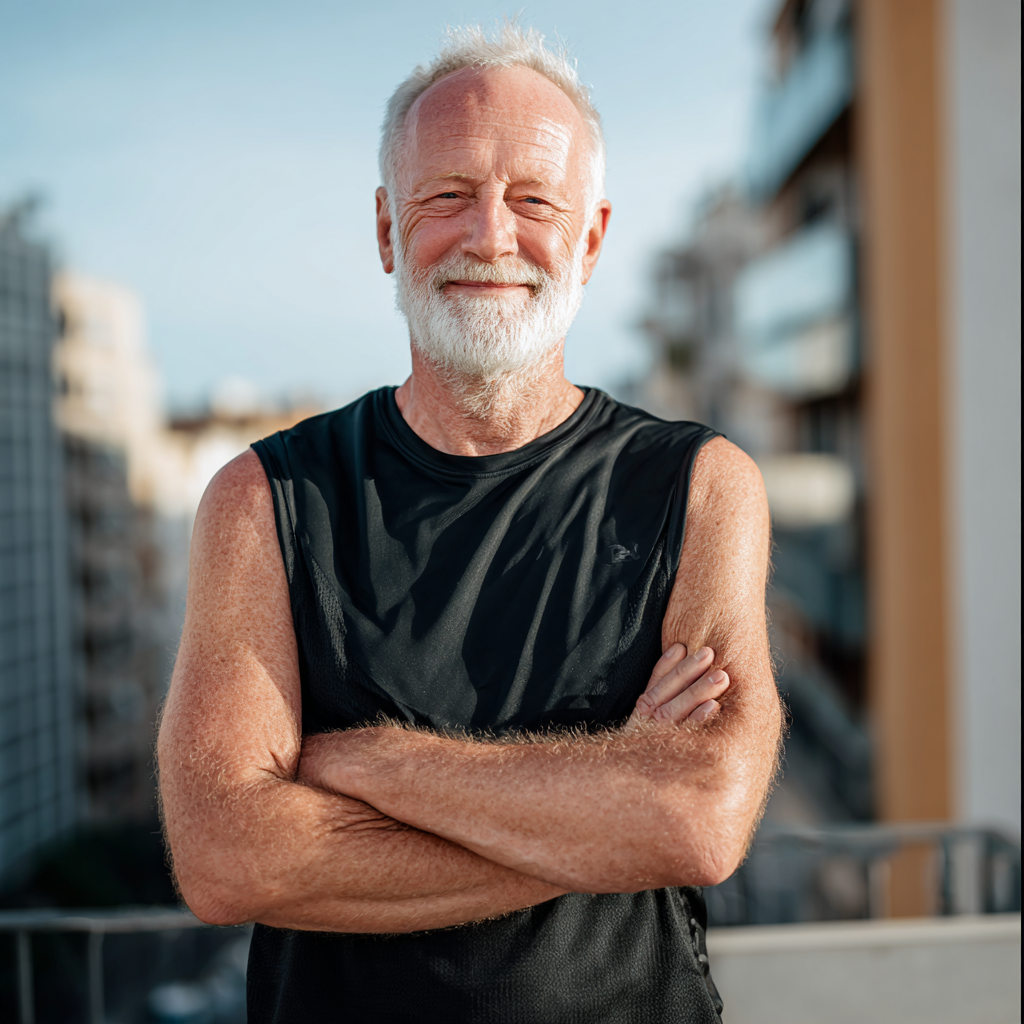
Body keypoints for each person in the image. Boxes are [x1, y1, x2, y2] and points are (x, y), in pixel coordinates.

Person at [158, 23, 781, 1024]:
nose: (491, 235)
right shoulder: (263, 500)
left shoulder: (700, 486)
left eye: (534, 199)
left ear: (590, 236)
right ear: (384, 230)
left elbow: (698, 819)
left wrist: (373, 762)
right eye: (445, 195)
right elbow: (228, 856)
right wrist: (602, 810)